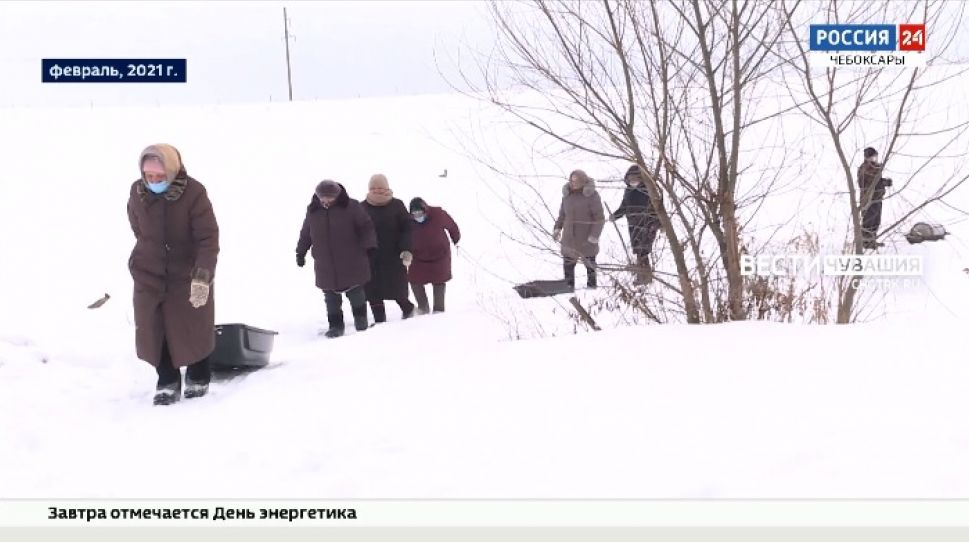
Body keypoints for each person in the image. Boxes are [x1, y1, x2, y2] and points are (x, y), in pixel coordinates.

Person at [126, 144, 219, 406]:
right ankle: (166, 379)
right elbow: (136, 225)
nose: (154, 181)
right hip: (148, 272)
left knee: (193, 323)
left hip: (185, 272)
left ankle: (199, 374)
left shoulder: (193, 192)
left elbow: (207, 237)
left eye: (160, 176)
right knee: (154, 328)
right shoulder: (137, 192)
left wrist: (202, 275)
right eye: (149, 176)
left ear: (171, 170)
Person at [296, 180, 378, 338]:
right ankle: (335, 326)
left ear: (337, 195)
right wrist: (300, 252)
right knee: (330, 297)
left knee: (355, 292)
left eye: (329, 197)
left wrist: (370, 246)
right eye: (323, 198)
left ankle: (361, 321)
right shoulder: (313, 210)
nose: (326, 201)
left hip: (351, 258)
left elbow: (366, 227)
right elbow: (306, 232)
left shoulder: (351, 206)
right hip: (325, 262)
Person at [361, 174, 416, 322]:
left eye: (380, 187)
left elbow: (407, 228)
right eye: (373, 187)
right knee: (372, 292)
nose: (377, 190)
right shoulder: (362, 207)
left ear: (386, 187)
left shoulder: (397, 205)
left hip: (394, 255)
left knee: (397, 290)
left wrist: (406, 249)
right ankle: (380, 322)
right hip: (371, 257)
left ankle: (409, 310)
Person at [552, 169, 605, 290]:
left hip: (587, 238)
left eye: (576, 181)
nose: (573, 183)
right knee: (568, 265)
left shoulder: (592, 195)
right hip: (569, 238)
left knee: (590, 265)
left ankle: (592, 288)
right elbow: (562, 215)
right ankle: (568, 288)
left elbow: (599, 218)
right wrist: (557, 229)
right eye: (572, 180)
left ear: (583, 181)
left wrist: (594, 236)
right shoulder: (567, 196)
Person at [407, 197, 460, 314]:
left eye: (419, 213)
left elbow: (452, 226)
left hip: (439, 255)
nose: (417, 216)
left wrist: (455, 239)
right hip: (418, 257)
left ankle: (439, 310)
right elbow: (402, 236)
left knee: (439, 281)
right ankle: (423, 308)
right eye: (414, 214)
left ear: (425, 210)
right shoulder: (408, 221)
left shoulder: (438, 214)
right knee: (414, 280)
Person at [610, 164, 661, 284]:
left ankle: (645, 277)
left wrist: (657, 223)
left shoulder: (648, 190)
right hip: (633, 225)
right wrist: (615, 216)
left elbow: (657, 208)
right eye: (631, 179)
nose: (633, 182)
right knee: (638, 250)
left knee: (643, 249)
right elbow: (624, 207)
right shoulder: (628, 191)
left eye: (636, 179)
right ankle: (642, 277)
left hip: (647, 224)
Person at [858, 147, 893, 249]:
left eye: (875, 157)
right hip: (869, 200)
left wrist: (885, 182)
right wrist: (879, 181)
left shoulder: (876, 167)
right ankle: (865, 243)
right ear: (867, 158)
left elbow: (877, 181)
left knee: (876, 221)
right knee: (868, 221)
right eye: (873, 157)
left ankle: (872, 241)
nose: (875, 159)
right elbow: (864, 183)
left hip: (878, 198)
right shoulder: (863, 168)